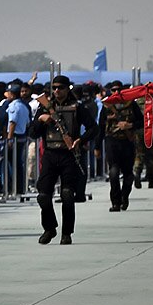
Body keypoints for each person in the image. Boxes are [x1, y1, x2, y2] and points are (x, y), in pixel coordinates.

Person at [29, 76, 99, 245]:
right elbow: (32, 133)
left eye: (60, 88)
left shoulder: (77, 107)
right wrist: (41, 120)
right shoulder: (45, 107)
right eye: (54, 88)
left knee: (67, 195)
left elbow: (94, 128)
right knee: (43, 195)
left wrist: (80, 141)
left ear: (68, 88)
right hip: (51, 154)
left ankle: (66, 233)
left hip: (69, 155)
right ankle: (50, 228)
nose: (57, 91)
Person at [99, 80, 143, 212]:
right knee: (113, 173)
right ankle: (115, 202)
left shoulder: (131, 104)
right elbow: (101, 127)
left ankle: (125, 197)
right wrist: (96, 146)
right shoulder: (106, 106)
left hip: (127, 143)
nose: (116, 92)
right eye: (113, 90)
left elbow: (141, 121)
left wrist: (130, 125)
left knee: (128, 175)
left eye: (118, 90)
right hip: (112, 142)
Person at [4, 81, 32, 197]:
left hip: (14, 137)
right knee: (18, 164)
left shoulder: (13, 106)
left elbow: (12, 123)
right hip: (22, 136)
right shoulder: (24, 106)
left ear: (12, 94)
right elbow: (27, 123)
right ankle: (20, 187)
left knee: (11, 164)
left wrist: (9, 139)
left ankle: (14, 188)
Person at [133, 95, 153, 189]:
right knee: (151, 155)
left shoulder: (136, 101)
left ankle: (137, 172)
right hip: (152, 131)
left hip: (139, 131)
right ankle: (151, 180)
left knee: (139, 154)